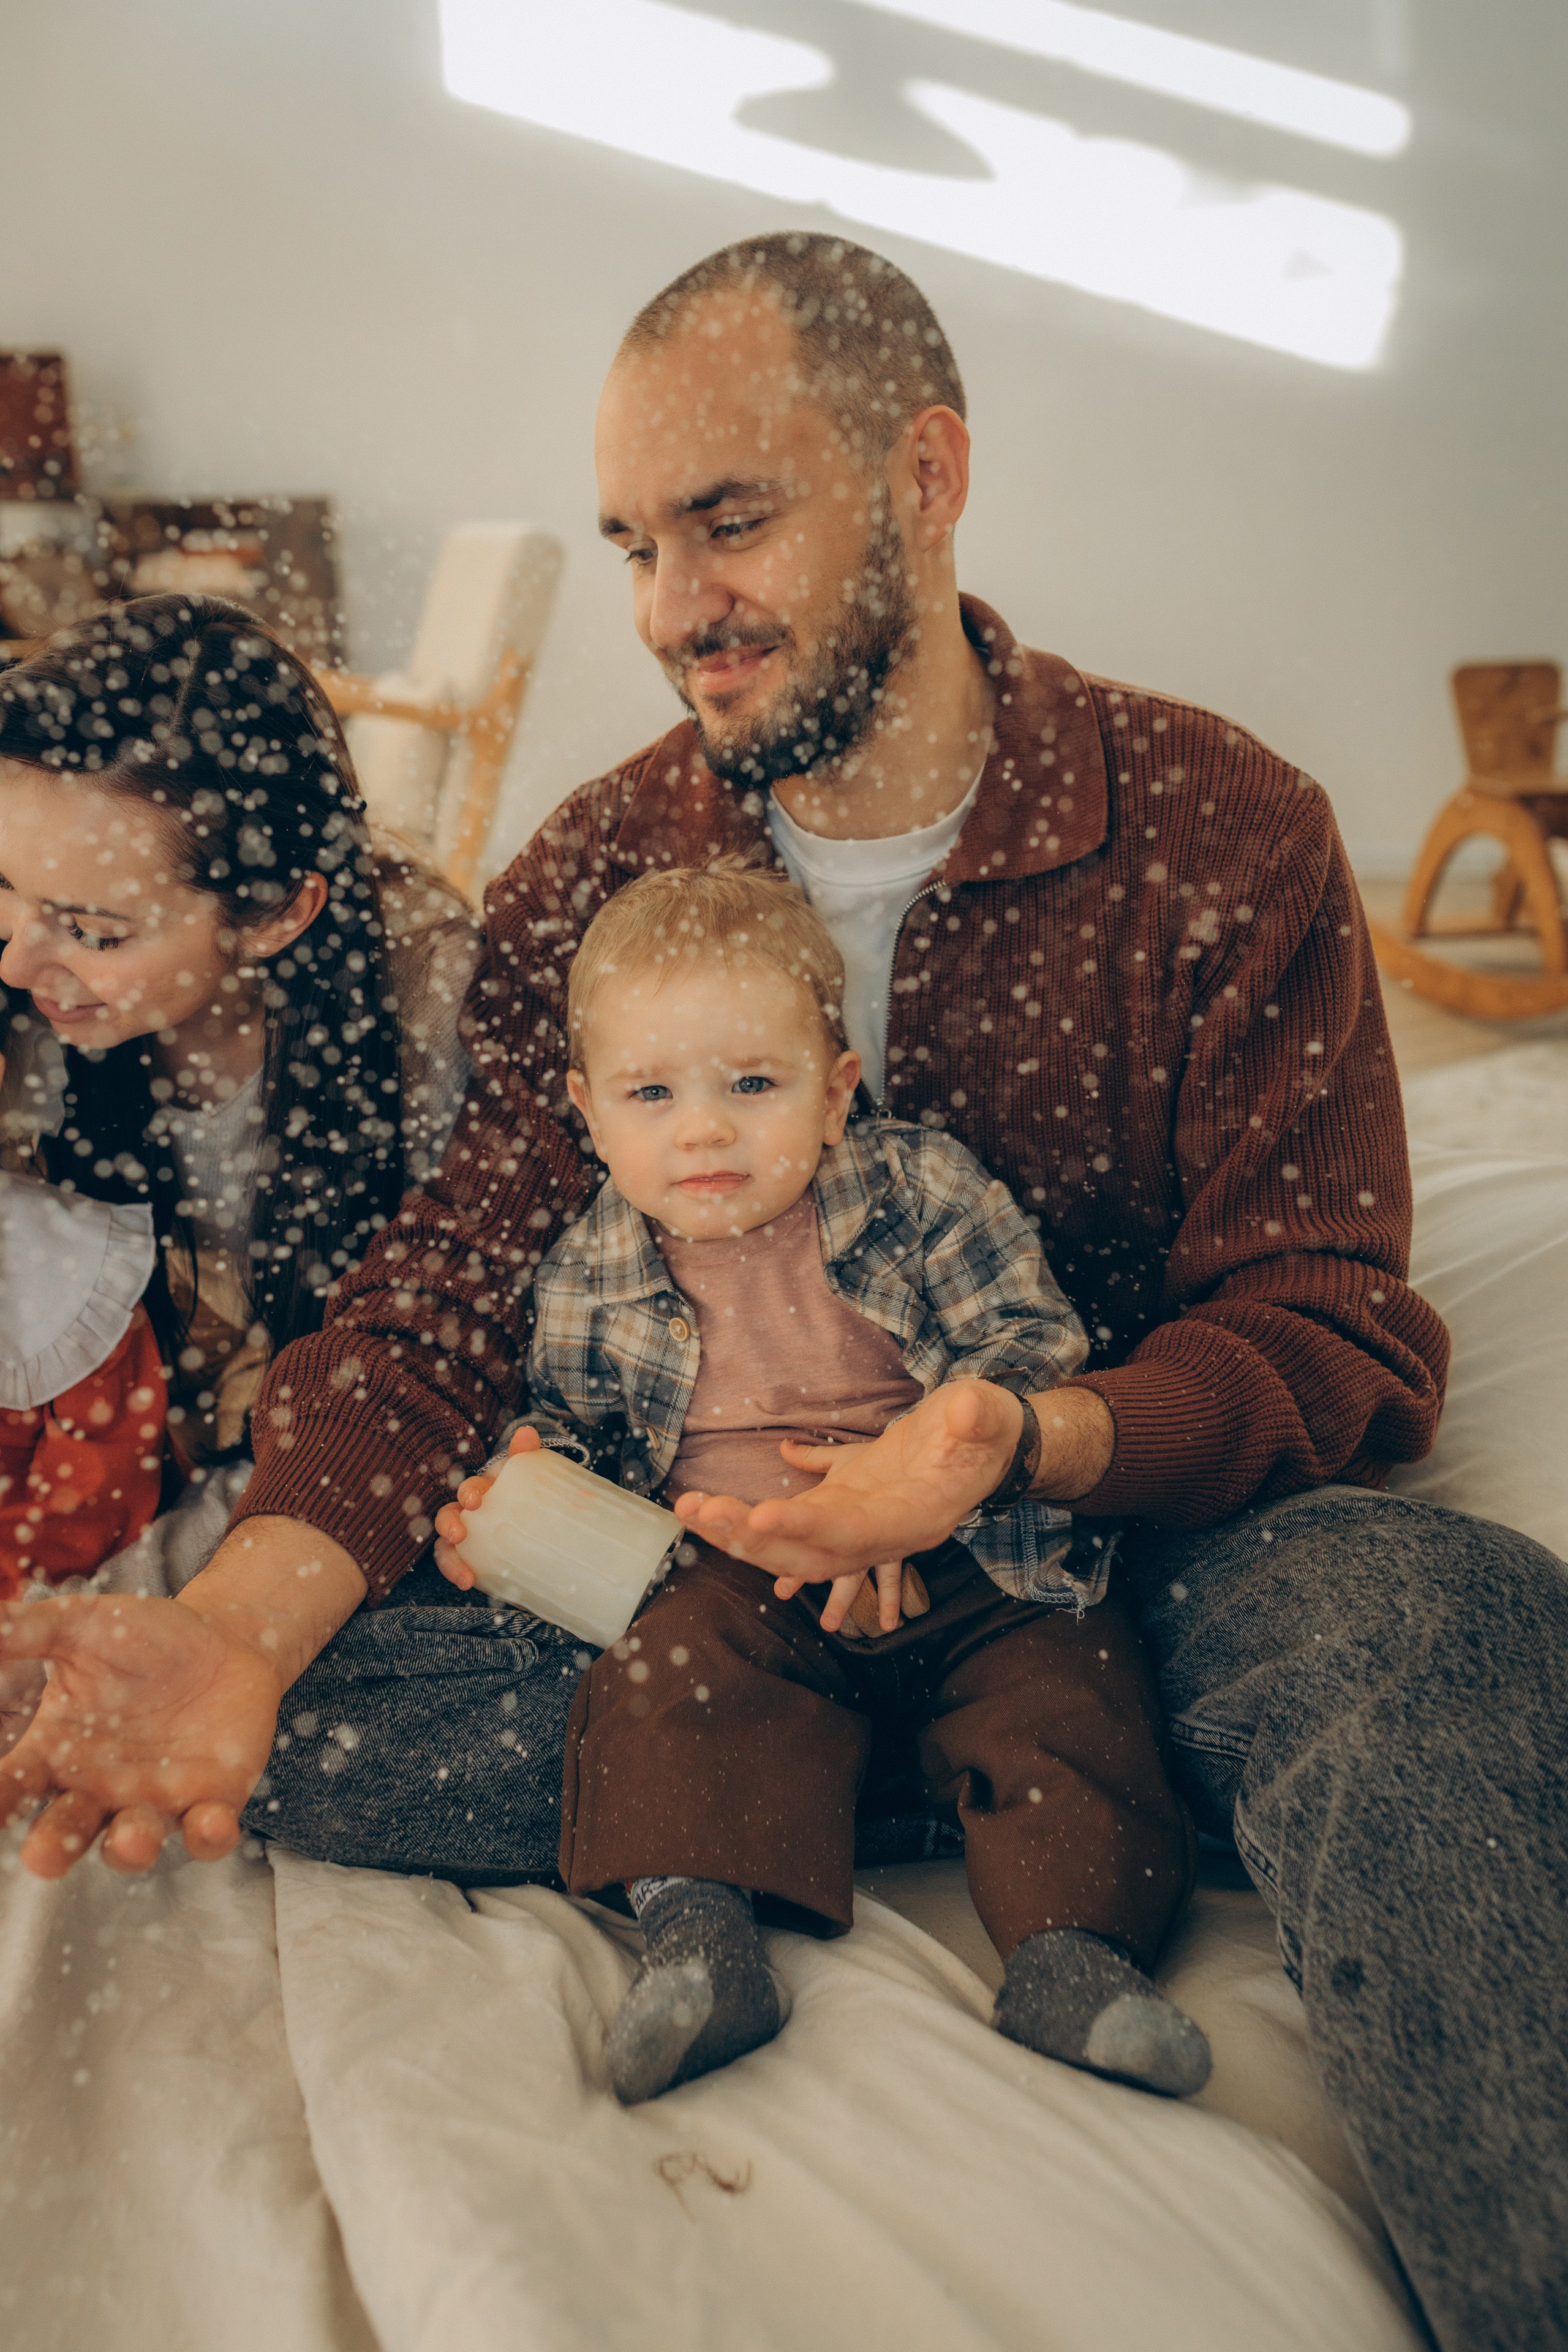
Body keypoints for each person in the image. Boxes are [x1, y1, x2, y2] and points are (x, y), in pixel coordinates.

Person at [0, 238, 1562, 2347]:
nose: (671, 607)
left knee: (1436, 1620)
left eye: (728, 521)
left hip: (1099, 1554)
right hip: (701, 1575)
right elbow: (440, 1306)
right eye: (635, 545)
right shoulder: (594, 870)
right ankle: (1020, 1776)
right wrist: (236, 1627)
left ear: (926, 478)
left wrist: (1019, 1441)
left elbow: (1330, 1325)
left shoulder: (1224, 829)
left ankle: (877, 1760)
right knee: (312, 1707)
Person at [449, 860, 1205, 2105]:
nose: (704, 1129)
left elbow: (1031, 1345)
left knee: (1072, 1684)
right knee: (660, 1677)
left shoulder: (921, 1191)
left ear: (836, 1091)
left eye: (753, 1085)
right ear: (589, 1111)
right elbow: (577, 1425)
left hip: (963, 1552)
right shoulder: (590, 1264)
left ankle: (1075, 1955)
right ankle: (700, 1940)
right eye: (652, 1093)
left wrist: (927, 1476)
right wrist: (530, 1492)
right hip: (741, 1577)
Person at [0, 588, 477, 1653]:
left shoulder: (431, 1026)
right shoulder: (33, 1011)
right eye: (6, 888)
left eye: (91, 930)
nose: (20, 960)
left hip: (312, 1543)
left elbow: (389, 1412)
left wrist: (78, 1634)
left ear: (276, 914)